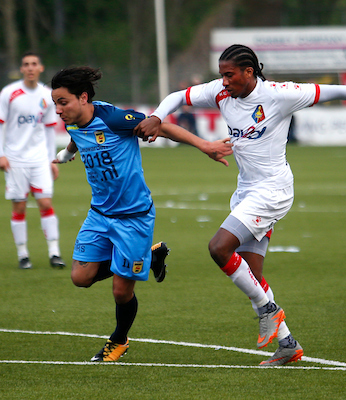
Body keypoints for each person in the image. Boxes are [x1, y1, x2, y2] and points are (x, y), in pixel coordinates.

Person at [135, 44, 346, 366]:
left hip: (272, 191)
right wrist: (157, 116)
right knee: (252, 275)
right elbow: (177, 97)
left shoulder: (280, 94)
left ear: (249, 72)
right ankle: (287, 344)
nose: (224, 81)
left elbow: (337, 91)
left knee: (218, 248)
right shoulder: (220, 91)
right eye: (221, 75)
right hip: (246, 191)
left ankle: (268, 311)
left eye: (229, 75)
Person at [51, 66, 233, 362]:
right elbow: (76, 137)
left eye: (63, 102)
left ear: (83, 98)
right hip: (99, 214)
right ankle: (146, 257)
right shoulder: (72, 122)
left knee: (121, 292)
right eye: (55, 103)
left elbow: (161, 126)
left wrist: (204, 145)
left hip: (133, 217)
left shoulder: (113, 119)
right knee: (80, 277)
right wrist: (67, 154)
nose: (58, 110)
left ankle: (119, 340)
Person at [0, 51, 66, 270]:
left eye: (34, 64)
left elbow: (50, 129)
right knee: (20, 206)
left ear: (40, 68)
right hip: (15, 159)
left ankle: (54, 253)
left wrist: (52, 160)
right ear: (21, 69)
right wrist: (0, 154)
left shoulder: (47, 95)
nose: (30, 68)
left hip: (40, 159)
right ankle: (23, 254)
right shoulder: (9, 93)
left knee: (46, 203)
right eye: (26, 64)